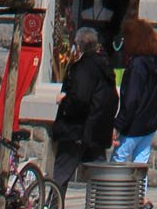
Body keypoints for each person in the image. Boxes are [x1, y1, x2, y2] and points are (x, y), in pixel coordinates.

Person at [50, 26, 118, 194]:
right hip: (97, 130)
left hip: (77, 130)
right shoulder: (105, 68)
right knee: (100, 176)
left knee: (61, 175)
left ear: (78, 46)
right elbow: (111, 98)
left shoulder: (83, 68)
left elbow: (80, 98)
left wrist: (64, 101)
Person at [111, 16, 157, 170]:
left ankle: (114, 193)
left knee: (118, 160)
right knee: (141, 163)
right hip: (150, 120)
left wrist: (118, 125)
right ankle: (140, 194)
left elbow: (131, 99)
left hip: (133, 123)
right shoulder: (156, 62)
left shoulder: (137, 65)